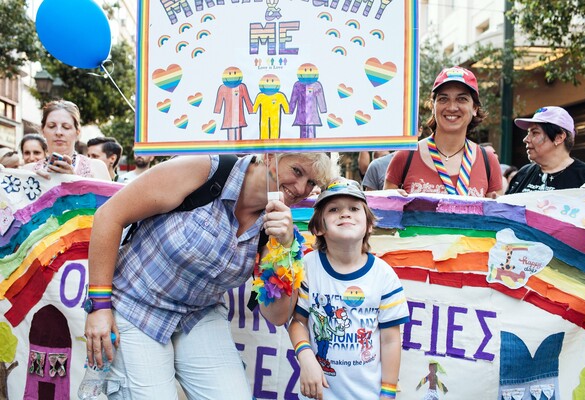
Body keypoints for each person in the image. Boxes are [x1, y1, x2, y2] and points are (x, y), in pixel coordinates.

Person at [84, 152, 337, 399]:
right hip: (135, 305)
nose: (302, 187)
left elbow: (277, 315)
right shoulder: (207, 169)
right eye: (297, 171)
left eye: (312, 182)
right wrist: (99, 307)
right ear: (270, 156)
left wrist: (283, 247)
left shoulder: (277, 226)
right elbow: (110, 216)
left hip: (198, 314)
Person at [288, 178, 410, 400]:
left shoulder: (384, 276)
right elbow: (297, 322)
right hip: (318, 394)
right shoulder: (308, 267)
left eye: (354, 209)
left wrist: (388, 392)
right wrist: (305, 356)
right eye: (334, 209)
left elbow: (391, 340)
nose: (345, 214)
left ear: (369, 225)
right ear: (318, 227)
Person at [384, 66, 503, 198]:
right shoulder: (406, 155)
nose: (452, 107)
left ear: (475, 108)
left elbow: (496, 216)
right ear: (433, 106)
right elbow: (385, 215)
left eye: (461, 99)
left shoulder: (488, 161)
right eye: (443, 99)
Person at [506, 106, 585, 193]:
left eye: (535, 133)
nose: (526, 139)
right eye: (528, 133)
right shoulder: (523, 173)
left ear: (559, 138)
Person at [23, 100, 111, 180]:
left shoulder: (96, 168)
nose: (58, 132)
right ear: (43, 130)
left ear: (77, 132)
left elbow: (108, 198)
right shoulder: (28, 171)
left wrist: (74, 181)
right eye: (52, 126)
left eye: (66, 127)